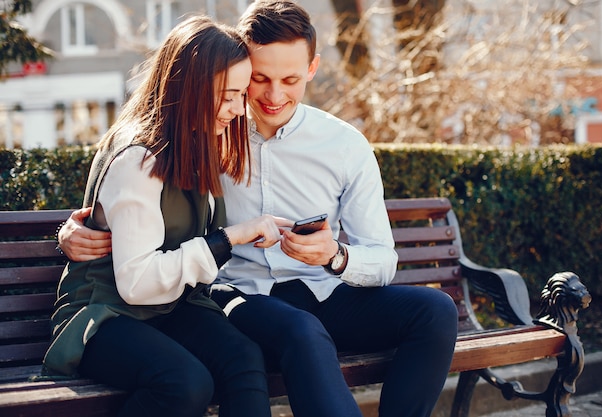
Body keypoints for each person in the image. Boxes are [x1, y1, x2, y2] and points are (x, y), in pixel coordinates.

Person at [57, 2, 459, 416]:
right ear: (240, 69)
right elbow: (130, 184)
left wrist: (335, 256)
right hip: (242, 294)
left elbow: (381, 260)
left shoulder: (344, 145)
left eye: (290, 79)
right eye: (260, 79)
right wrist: (70, 229)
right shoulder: (207, 130)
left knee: (435, 310)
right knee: (300, 332)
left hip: (323, 288)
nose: (274, 95)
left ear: (313, 68)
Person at [45, 15, 286, 417]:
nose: (239, 108)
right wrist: (229, 239)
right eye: (228, 94)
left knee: (244, 357)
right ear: (188, 86)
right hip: (104, 317)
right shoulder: (139, 157)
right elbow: (136, 284)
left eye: (241, 94)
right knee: (185, 382)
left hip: (170, 308)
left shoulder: (199, 142)